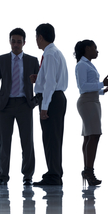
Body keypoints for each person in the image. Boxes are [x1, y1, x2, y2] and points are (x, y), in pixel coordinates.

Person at [0, 28, 40, 186]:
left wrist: (35, 102)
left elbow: (40, 84)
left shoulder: (32, 61)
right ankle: (3, 176)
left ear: (24, 42)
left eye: (19, 41)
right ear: (9, 41)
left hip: (25, 104)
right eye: (13, 41)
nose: (16, 44)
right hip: (5, 105)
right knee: (4, 142)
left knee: (27, 141)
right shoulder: (1, 60)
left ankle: (27, 176)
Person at [74, 40, 108, 186]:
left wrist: (104, 90)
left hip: (93, 101)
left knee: (89, 136)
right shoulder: (81, 65)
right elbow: (83, 86)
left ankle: (87, 170)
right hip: (87, 102)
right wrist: (102, 84)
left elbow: (91, 87)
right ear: (87, 49)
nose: (97, 51)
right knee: (94, 135)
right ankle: (88, 170)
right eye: (95, 48)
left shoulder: (88, 64)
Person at [32, 23, 68, 187]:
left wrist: (44, 106)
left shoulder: (50, 54)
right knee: (53, 137)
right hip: (56, 98)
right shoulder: (54, 52)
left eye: (36, 37)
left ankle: (54, 174)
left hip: (51, 99)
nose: (36, 41)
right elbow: (48, 79)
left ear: (40, 37)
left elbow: (51, 83)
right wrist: (38, 78)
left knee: (51, 138)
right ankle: (54, 171)